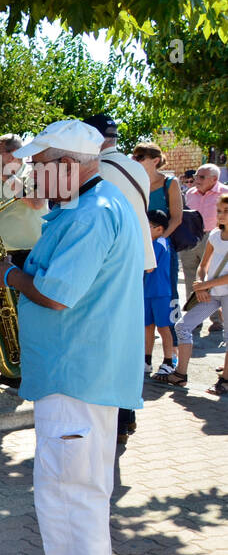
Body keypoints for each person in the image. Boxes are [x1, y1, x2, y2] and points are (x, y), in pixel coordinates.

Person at [0, 120, 144, 555]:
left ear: (69, 166)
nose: (31, 171)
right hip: (77, 370)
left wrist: (7, 275)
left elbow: (56, 293)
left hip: (78, 371)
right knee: (71, 482)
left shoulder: (91, 214)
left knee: (69, 485)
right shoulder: (88, 206)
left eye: (40, 163)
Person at [86, 113, 155, 444]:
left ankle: (116, 416)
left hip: (114, 260)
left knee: (108, 340)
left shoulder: (97, 169)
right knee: (127, 337)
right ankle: (126, 416)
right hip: (140, 256)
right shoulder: (135, 166)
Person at [157, 196, 228, 392]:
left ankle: (225, 380)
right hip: (211, 293)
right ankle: (180, 374)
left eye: (226, 211)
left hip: (220, 291)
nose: (220, 215)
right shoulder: (214, 235)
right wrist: (203, 284)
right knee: (183, 326)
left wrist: (205, 285)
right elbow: (203, 265)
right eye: (219, 210)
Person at [0, 134, 45, 271]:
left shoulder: (34, 174)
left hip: (29, 255)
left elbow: (37, 203)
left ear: (13, 154)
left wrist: (8, 177)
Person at [133, 143, 183, 298]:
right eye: (134, 156)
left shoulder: (170, 182)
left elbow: (176, 218)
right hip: (137, 245)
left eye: (140, 157)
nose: (135, 160)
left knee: (167, 292)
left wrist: (159, 241)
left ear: (155, 161)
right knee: (139, 293)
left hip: (163, 247)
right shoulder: (133, 182)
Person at [182, 165, 228, 333]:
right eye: (196, 176)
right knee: (191, 276)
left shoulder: (224, 193)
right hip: (191, 238)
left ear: (214, 179)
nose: (196, 180)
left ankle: (216, 320)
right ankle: (195, 316)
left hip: (215, 237)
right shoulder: (189, 193)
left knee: (214, 275)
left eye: (201, 177)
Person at [143, 210, 176, 377]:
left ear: (159, 229)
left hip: (160, 292)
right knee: (147, 326)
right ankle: (146, 360)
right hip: (147, 291)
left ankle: (168, 361)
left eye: (148, 226)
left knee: (163, 327)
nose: (144, 228)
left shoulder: (159, 243)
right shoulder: (153, 242)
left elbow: (148, 267)